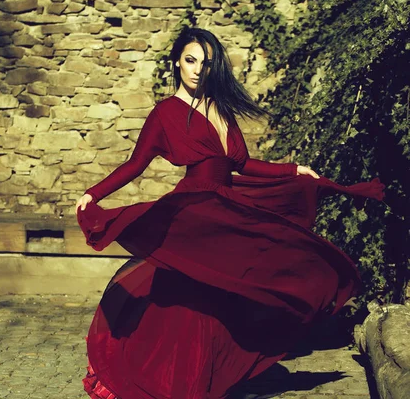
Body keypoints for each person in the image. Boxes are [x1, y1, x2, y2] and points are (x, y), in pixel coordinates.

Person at [74, 27, 384, 399]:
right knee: (191, 300)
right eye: (190, 60)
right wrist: (93, 194)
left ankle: (205, 375)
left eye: (205, 64)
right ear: (176, 62)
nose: (196, 70)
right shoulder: (165, 114)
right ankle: (166, 378)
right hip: (195, 212)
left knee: (226, 293)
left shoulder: (221, 109)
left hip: (227, 207)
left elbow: (242, 164)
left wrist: (293, 170)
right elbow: (136, 163)